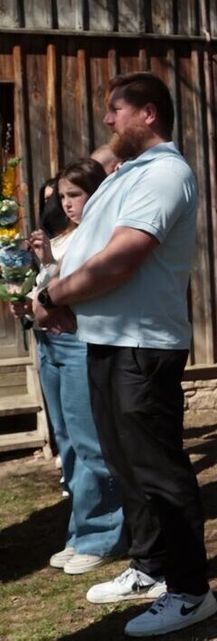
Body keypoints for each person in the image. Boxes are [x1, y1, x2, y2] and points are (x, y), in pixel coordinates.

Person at [33, 71, 216, 637]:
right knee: (126, 465)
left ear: (149, 114)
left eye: (116, 110)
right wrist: (69, 304)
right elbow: (92, 165)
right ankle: (150, 568)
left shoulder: (164, 174)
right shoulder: (130, 168)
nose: (108, 121)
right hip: (108, 339)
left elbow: (122, 257)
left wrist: (53, 295)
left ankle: (190, 592)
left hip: (143, 346)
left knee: (159, 471)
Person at [12, 158, 125, 575]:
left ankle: (105, 534)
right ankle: (81, 531)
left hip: (78, 342)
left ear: (96, 194)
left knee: (89, 441)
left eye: (74, 195)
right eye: (62, 197)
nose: (67, 204)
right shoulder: (63, 236)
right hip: (49, 344)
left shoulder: (100, 236)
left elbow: (86, 286)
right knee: (68, 444)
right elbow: (49, 284)